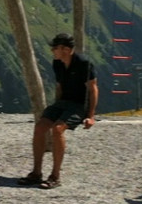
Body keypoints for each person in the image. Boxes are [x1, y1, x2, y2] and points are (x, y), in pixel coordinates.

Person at [20, 33, 98, 189]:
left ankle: (55, 176)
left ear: (66, 49)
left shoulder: (84, 64)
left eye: (55, 48)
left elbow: (93, 89)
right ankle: (36, 173)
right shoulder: (57, 63)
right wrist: (57, 106)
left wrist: (90, 116)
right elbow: (60, 86)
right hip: (63, 103)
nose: (52, 51)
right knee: (40, 127)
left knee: (57, 129)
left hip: (78, 105)